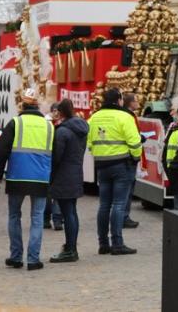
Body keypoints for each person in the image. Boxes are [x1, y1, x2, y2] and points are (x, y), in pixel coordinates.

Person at [0, 88, 54, 271]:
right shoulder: (49, 126)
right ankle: (33, 260)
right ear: (37, 105)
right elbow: (56, 154)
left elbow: (2, 150)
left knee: (14, 215)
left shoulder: (15, 123)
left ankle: (16, 256)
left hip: (17, 176)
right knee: (37, 218)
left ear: (23, 105)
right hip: (41, 178)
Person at [87, 88, 142, 255]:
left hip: (102, 166)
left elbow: (90, 144)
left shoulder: (93, 118)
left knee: (104, 205)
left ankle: (103, 243)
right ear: (119, 100)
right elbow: (135, 142)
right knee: (119, 204)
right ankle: (117, 243)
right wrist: (136, 157)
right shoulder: (125, 117)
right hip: (121, 165)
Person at [49, 99, 89, 263]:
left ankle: (70, 249)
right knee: (71, 212)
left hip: (63, 175)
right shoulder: (81, 128)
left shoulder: (62, 132)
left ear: (61, 112)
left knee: (67, 212)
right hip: (75, 172)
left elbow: (56, 156)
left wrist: (50, 174)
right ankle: (71, 247)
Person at [119, 92, 142, 229]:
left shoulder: (127, 115)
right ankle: (123, 217)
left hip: (124, 157)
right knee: (126, 191)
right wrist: (135, 156)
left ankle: (122, 216)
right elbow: (132, 137)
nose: (138, 102)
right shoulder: (129, 116)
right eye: (136, 100)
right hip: (129, 158)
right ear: (130, 103)